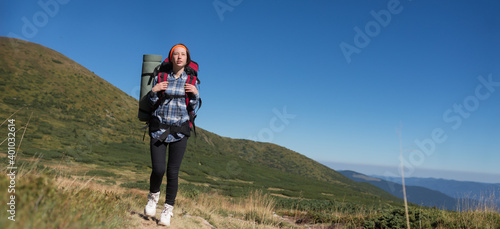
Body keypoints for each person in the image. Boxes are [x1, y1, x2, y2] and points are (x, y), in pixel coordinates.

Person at [143, 44, 199, 226]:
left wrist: (196, 96)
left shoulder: (191, 80)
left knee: (173, 172)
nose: (179, 57)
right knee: (158, 170)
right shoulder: (161, 78)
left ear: (187, 58)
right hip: (158, 129)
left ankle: (168, 209)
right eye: (176, 54)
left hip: (179, 131)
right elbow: (151, 103)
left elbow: (193, 108)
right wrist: (154, 90)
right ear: (171, 57)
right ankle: (153, 197)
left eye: (183, 54)